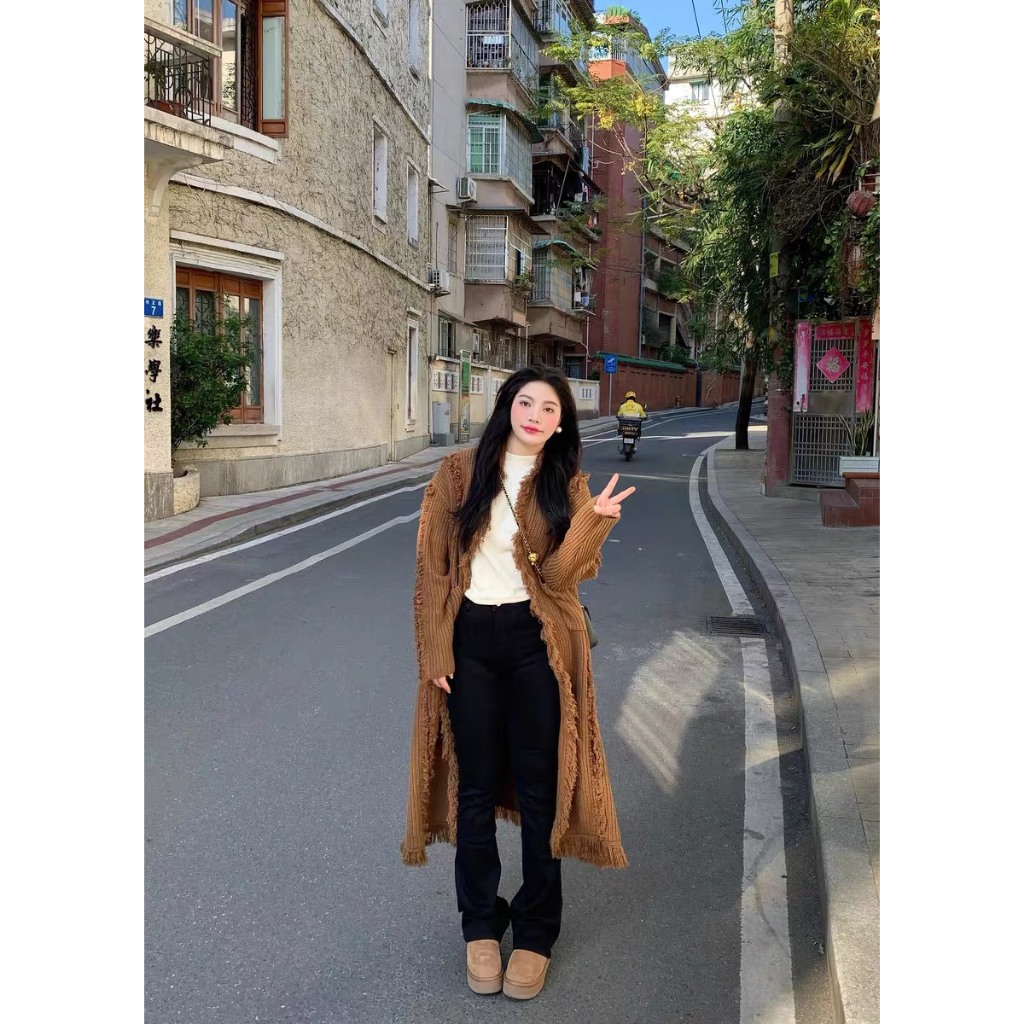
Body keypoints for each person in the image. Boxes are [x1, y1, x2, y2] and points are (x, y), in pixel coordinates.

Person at [402, 364, 634, 1001]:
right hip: (471, 643)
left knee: (540, 792)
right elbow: (433, 570)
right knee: (474, 790)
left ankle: (535, 931)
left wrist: (594, 520)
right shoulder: (457, 473)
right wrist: (436, 651)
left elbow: (558, 579)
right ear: (508, 405)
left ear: (561, 424)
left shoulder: (566, 483)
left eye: (549, 409)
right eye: (526, 402)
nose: (535, 415)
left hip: (538, 645)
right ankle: (480, 926)